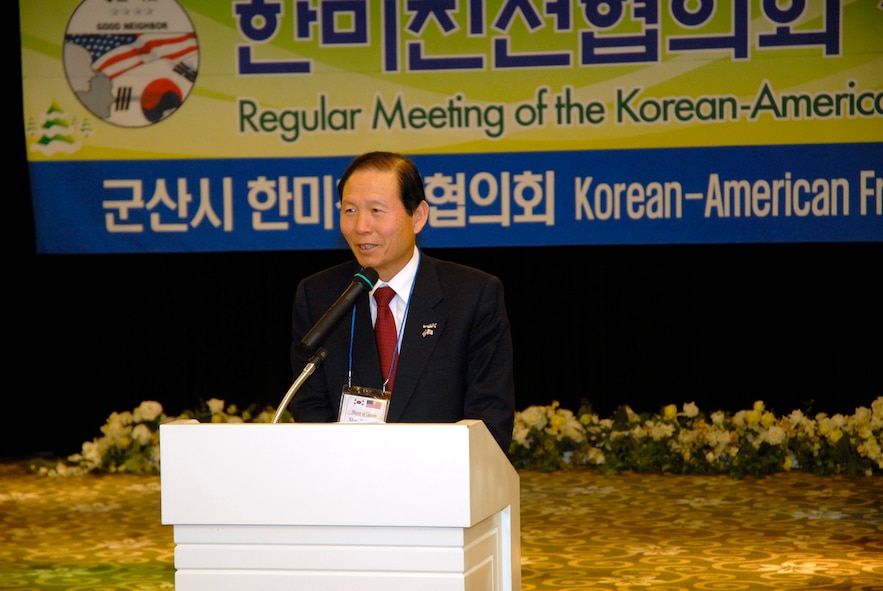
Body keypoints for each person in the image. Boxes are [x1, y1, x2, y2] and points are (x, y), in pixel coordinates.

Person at [288, 151, 515, 452]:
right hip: (346, 481)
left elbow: (490, 419)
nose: (361, 227)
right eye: (350, 210)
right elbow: (310, 408)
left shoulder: (472, 295)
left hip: (441, 484)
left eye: (377, 211)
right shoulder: (318, 295)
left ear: (418, 215)